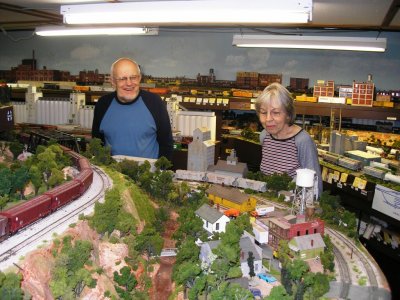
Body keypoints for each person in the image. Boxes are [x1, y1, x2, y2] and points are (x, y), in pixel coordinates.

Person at [92, 58, 173, 161]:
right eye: (122, 79)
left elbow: (167, 144)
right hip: (113, 174)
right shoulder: (103, 104)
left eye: (133, 77)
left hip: (148, 174)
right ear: (112, 81)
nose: (129, 83)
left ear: (139, 78)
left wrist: (160, 171)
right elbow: (97, 144)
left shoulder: (154, 103)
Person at [255, 82, 322, 198]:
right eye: (263, 112)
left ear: (288, 114)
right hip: (266, 201)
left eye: (275, 113)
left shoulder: (302, 140)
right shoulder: (264, 136)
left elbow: (315, 184)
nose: (268, 119)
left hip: (291, 205)